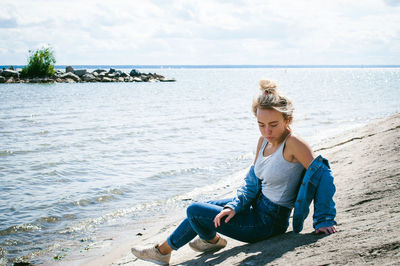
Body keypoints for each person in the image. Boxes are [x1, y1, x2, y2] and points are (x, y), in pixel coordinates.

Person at [131, 79, 337, 265]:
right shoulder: (263, 141)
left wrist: (324, 219)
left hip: (269, 223)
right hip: (255, 207)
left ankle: (164, 251)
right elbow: (251, 184)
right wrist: (235, 206)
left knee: (195, 211)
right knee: (208, 206)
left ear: (287, 120)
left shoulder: (294, 144)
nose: (267, 131)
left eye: (273, 125)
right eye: (261, 125)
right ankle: (211, 241)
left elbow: (323, 175)